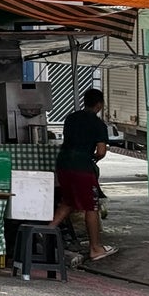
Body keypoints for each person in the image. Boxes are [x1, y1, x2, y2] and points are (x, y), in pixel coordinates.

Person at [49, 88, 116, 261]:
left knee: (69, 201)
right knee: (91, 207)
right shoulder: (98, 124)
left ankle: (46, 233)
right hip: (82, 169)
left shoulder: (70, 118)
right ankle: (95, 248)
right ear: (100, 104)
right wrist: (93, 157)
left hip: (63, 165)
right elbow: (101, 151)